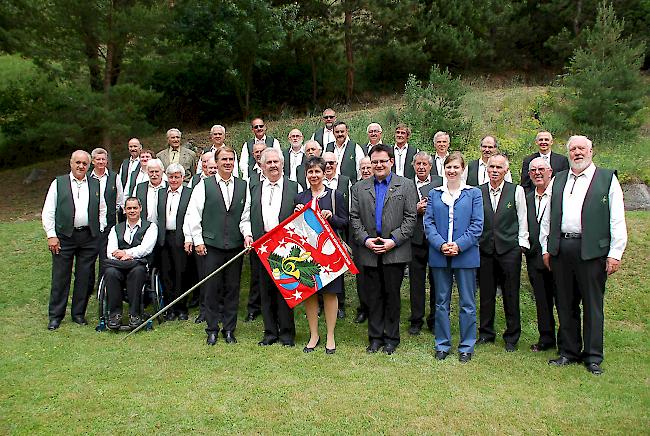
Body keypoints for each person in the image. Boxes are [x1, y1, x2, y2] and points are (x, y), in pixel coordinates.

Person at [541, 135, 627, 375]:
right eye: (573, 149)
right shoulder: (558, 179)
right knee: (565, 303)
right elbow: (548, 219)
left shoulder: (607, 179)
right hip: (562, 249)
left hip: (592, 251)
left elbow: (617, 217)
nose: (577, 153)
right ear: (568, 153)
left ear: (591, 151)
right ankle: (569, 351)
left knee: (592, 305)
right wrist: (547, 247)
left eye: (582, 148)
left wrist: (615, 253)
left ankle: (592, 356)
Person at [350, 144, 418, 354]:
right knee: (373, 296)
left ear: (391, 162)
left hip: (394, 250)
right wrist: (365, 240)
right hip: (369, 249)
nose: (378, 165)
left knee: (391, 295)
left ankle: (391, 338)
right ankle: (375, 337)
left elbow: (410, 217)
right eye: (375, 161)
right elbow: (354, 218)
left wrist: (394, 240)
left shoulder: (405, 185)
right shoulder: (359, 188)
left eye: (382, 161)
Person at [185, 147, 251, 345]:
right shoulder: (204, 186)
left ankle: (229, 329)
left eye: (231, 159)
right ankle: (212, 328)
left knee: (232, 288)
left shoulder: (243, 186)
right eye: (224, 159)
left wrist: (247, 235)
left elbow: (245, 216)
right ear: (217, 161)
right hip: (211, 245)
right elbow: (193, 214)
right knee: (212, 288)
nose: (228, 163)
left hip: (235, 246)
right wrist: (198, 240)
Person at [424, 152, 483, 362]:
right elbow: (428, 223)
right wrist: (441, 245)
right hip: (440, 255)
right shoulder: (434, 193)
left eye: (456, 167)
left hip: (465, 255)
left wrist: (458, 245)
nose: (452, 171)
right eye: (449, 167)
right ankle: (442, 343)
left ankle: (466, 346)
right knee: (441, 302)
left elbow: (477, 225)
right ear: (443, 169)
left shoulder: (473, 193)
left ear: (463, 169)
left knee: (467, 302)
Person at [245, 148, 300, 346]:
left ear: (282, 164)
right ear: (262, 166)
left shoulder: (295, 187)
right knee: (265, 291)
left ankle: (286, 334)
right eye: (269, 163)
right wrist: (248, 234)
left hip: (286, 248)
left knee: (285, 291)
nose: (273, 165)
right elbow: (246, 216)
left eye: (276, 162)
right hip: (261, 246)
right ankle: (270, 333)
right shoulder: (254, 188)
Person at [294, 156, 348, 354]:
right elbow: (294, 229)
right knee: (309, 293)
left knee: (330, 293)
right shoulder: (300, 198)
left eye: (318, 171)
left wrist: (331, 217)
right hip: (306, 253)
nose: (314, 175)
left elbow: (345, 222)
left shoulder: (336, 196)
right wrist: (295, 213)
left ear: (324, 173)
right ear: (306, 175)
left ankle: (331, 335)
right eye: (310, 172)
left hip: (329, 252)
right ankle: (314, 334)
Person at [42, 150, 100, 330]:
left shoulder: (95, 183)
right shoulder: (58, 183)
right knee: (61, 277)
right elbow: (48, 211)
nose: (81, 166)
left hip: (88, 237)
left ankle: (78, 314)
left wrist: (100, 227)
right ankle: (56, 316)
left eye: (84, 163)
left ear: (89, 165)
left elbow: (103, 208)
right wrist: (51, 235)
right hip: (64, 237)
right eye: (78, 163)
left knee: (84, 277)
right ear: (71, 163)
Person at [477, 153, 529, 352]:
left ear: (506, 170)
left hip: (509, 250)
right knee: (486, 294)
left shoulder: (516, 191)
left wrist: (521, 245)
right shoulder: (478, 191)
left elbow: (522, 218)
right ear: (487, 169)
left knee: (510, 293)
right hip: (486, 250)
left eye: (499, 168)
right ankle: (486, 333)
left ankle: (512, 336)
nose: (495, 171)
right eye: (492, 167)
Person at [104, 197, 158, 330]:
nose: (132, 211)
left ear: (140, 209)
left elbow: (146, 248)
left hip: (138, 265)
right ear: (124, 210)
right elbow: (110, 251)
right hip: (118, 266)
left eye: (135, 208)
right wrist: (123, 256)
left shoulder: (150, 227)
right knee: (110, 272)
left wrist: (126, 254)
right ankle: (115, 314)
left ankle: (135, 314)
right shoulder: (115, 229)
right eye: (129, 208)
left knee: (138, 272)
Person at [524, 157, 558, 352]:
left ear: (550, 171)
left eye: (541, 169)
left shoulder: (559, 196)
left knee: (563, 300)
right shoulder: (526, 198)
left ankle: (567, 340)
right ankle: (546, 338)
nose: (537, 173)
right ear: (529, 175)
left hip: (557, 257)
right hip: (534, 257)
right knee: (542, 300)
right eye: (533, 170)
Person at [408, 152, 443, 335]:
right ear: (413, 165)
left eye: (425, 164)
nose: (421, 167)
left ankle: (435, 319)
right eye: (418, 164)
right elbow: (402, 210)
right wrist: (416, 210)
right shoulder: (406, 184)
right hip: (414, 239)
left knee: (437, 280)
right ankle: (416, 319)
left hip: (435, 239)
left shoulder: (439, 183)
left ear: (430, 166)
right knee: (416, 281)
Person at [157, 163, 193, 321]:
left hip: (181, 238)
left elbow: (193, 217)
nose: (173, 180)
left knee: (182, 273)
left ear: (182, 178)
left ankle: (181, 308)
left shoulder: (189, 193)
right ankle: (170, 308)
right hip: (164, 239)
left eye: (177, 177)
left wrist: (189, 237)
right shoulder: (161, 194)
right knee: (167, 274)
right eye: (171, 177)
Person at [89, 148, 123, 292]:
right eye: (98, 159)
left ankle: (102, 286)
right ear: (92, 161)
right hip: (90, 225)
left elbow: (120, 200)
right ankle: (88, 286)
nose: (101, 162)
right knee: (89, 257)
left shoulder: (114, 177)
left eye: (103, 159)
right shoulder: (87, 178)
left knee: (105, 256)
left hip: (108, 224)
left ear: (107, 161)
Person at [350, 156, 373, 324]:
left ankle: (378, 308)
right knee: (362, 276)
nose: (365, 170)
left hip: (379, 238)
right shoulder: (355, 188)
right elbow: (353, 214)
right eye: (362, 168)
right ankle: (364, 308)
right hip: (360, 237)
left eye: (368, 167)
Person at [134, 158, 167, 223]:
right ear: (147, 172)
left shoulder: (168, 187)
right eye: (151, 172)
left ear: (162, 171)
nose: (154, 175)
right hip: (144, 227)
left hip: (164, 228)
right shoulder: (140, 187)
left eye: (157, 171)